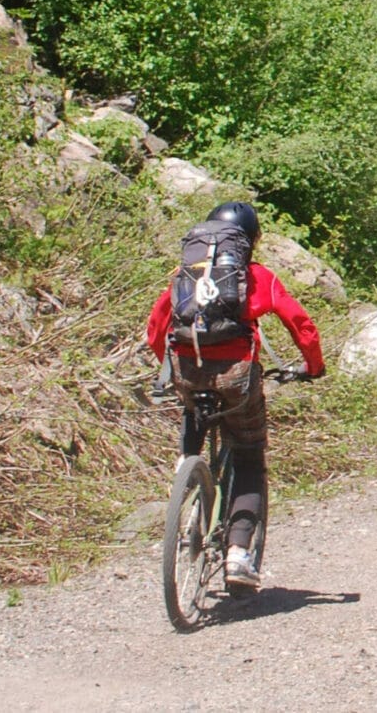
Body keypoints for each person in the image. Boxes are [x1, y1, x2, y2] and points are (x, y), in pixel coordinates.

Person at [144, 200, 326, 591]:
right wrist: (313, 365)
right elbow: (301, 324)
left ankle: (186, 468)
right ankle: (238, 556)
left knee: (195, 404)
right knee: (248, 456)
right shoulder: (257, 276)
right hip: (237, 377)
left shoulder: (186, 273)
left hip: (186, 369)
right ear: (250, 241)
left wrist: (171, 369)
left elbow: (156, 327)